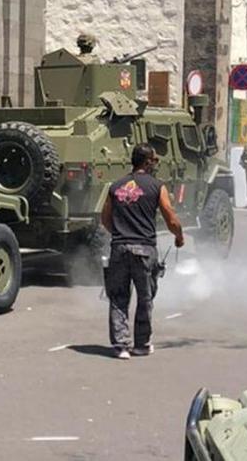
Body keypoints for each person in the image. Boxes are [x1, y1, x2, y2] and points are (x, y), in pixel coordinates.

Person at [100, 143, 184, 360]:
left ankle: (120, 346)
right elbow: (171, 217)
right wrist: (179, 236)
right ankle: (141, 344)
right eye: (154, 160)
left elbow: (104, 218)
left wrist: (120, 234)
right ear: (147, 162)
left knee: (118, 297)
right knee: (145, 298)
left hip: (119, 248)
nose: (156, 164)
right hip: (145, 249)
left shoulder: (115, 186)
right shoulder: (157, 186)